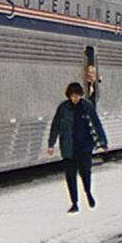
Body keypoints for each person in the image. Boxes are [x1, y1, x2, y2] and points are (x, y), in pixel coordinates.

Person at [48, 82, 107, 214]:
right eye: (73, 96)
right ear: (69, 96)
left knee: (85, 172)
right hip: (68, 147)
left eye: (77, 96)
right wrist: (51, 144)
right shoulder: (63, 108)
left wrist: (103, 142)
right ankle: (74, 203)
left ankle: (88, 192)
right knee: (70, 176)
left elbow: (96, 124)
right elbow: (55, 126)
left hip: (84, 146)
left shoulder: (87, 106)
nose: (75, 98)